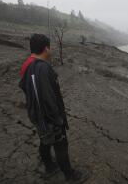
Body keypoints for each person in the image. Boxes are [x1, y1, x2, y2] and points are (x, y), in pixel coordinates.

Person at [18, 34, 88, 183]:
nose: (51, 50)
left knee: (45, 139)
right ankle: (70, 176)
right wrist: (57, 119)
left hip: (37, 115)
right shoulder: (43, 68)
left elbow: (24, 86)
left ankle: (49, 166)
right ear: (46, 48)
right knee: (61, 144)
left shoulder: (28, 65)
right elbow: (48, 97)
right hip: (48, 117)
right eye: (50, 47)